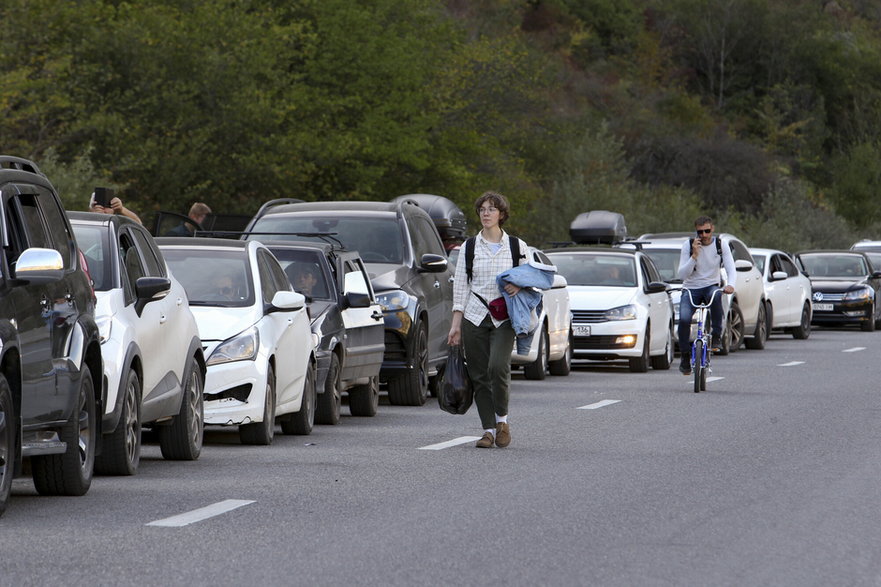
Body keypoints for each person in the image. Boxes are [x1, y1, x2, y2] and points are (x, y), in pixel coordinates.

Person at [447, 191, 528, 449]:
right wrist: (455, 325)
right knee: (479, 374)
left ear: (501, 214)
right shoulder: (469, 247)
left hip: (504, 317)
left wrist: (519, 286)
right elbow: (460, 287)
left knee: (497, 367)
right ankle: (488, 430)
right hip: (474, 316)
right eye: (482, 209)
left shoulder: (516, 246)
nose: (486, 213)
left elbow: (533, 279)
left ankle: (502, 419)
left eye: (491, 209)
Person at [677, 216, 736, 375]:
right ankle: (684, 356)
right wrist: (694, 256)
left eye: (707, 231)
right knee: (683, 318)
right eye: (700, 232)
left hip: (711, 286)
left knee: (716, 296)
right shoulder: (688, 246)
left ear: (713, 229)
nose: (703, 235)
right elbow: (682, 275)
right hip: (691, 288)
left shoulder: (720, 244)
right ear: (696, 231)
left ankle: (716, 335)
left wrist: (731, 285)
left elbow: (731, 267)